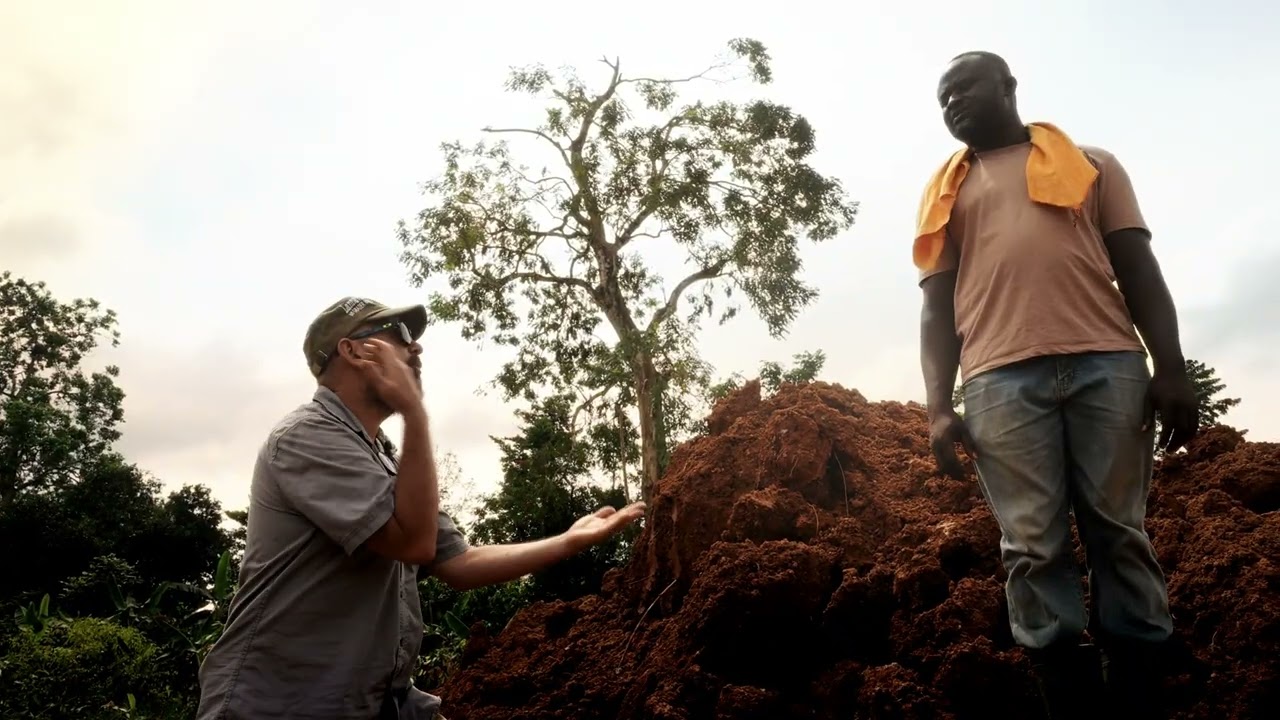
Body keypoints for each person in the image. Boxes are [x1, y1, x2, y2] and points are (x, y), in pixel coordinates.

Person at [914, 52, 1199, 719]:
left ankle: (1136, 687)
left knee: (1117, 531)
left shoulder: (1092, 163)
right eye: (942, 97)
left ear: (1009, 87)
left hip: (1110, 366)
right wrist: (937, 407)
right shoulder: (947, 193)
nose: (952, 102)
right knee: (1032, 544)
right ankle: (1066, 694)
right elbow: (936, 307)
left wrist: (1172, 367)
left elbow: (1138, 267)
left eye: (964, 87)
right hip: (997, 380)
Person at [196, 297, 645, 720]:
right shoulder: (305, 438)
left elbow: (456, 562)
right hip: (279, 705)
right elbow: (413, 541)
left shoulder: (382, 455)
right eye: (399, 332)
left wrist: (568, 541)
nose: (416, 345)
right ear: (352, 350)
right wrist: (415, 411)